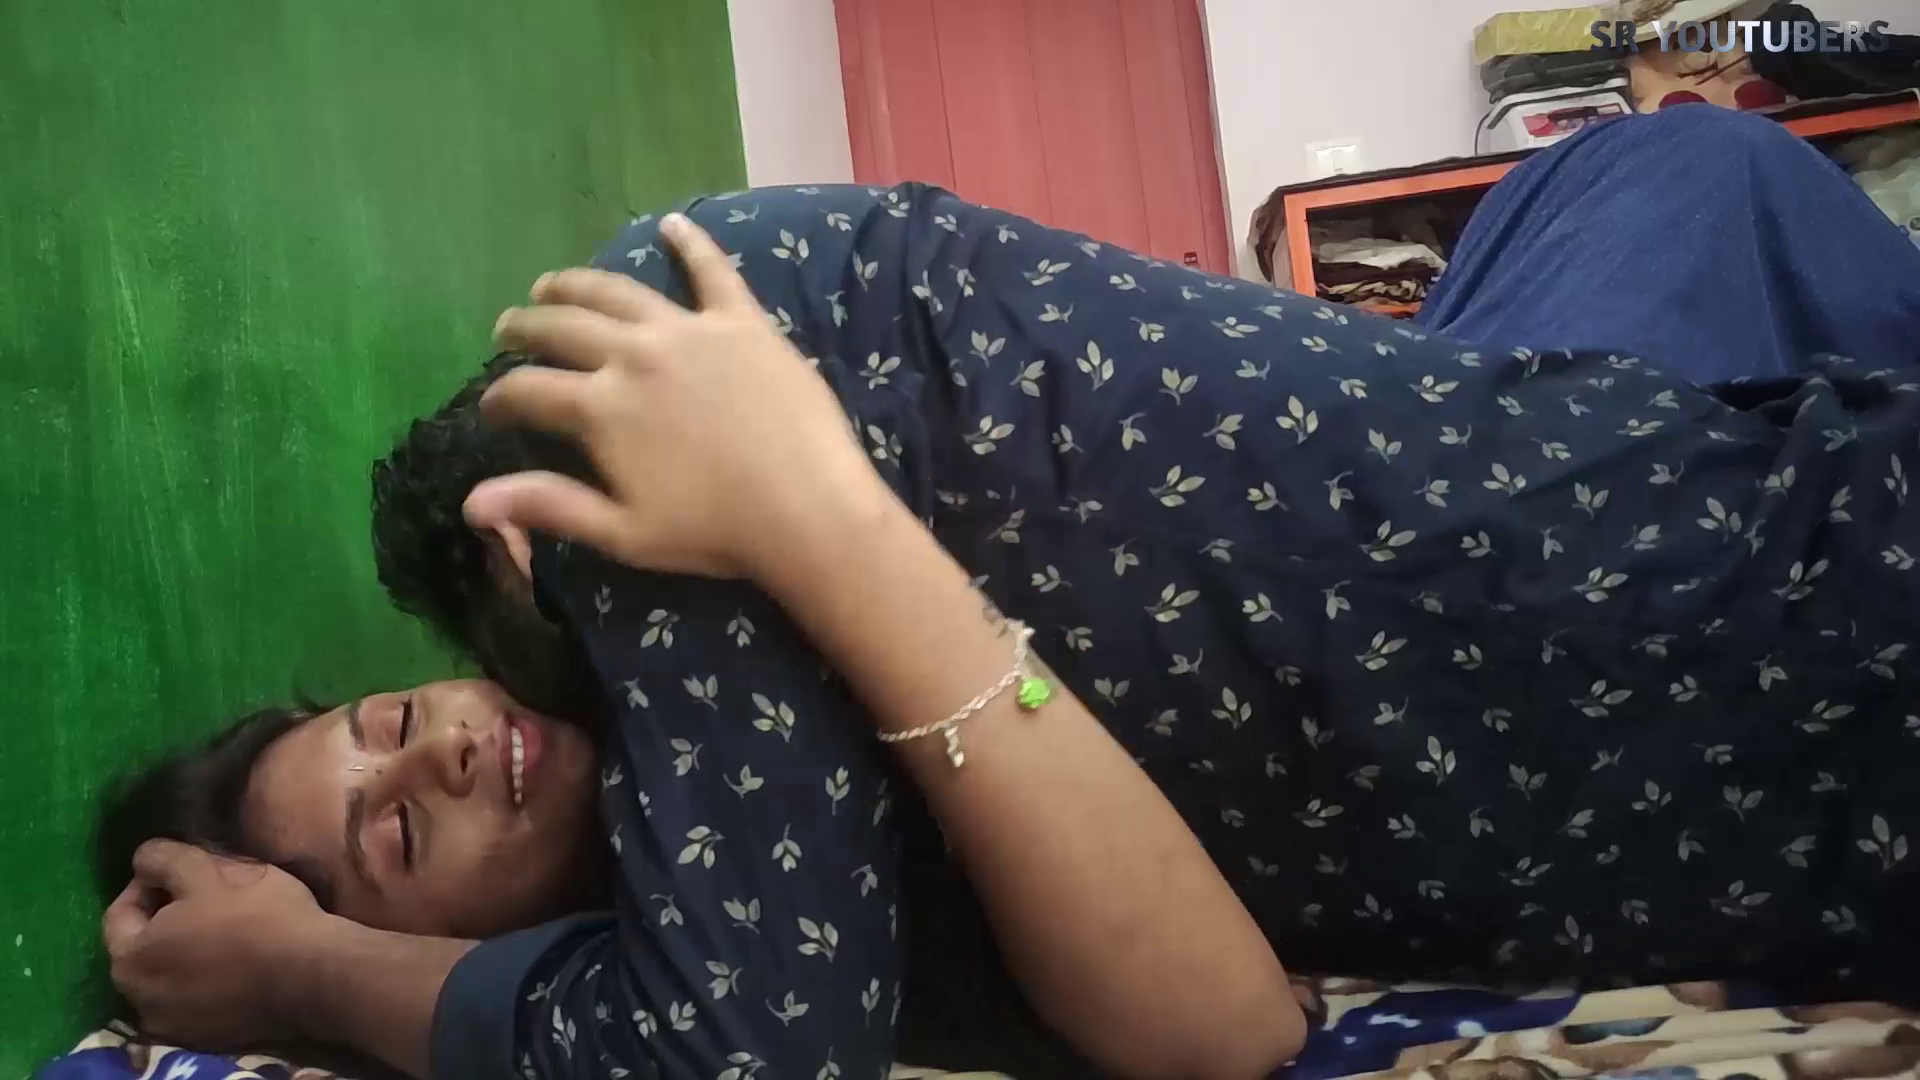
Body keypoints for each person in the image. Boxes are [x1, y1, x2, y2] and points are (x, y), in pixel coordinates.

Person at [100, 105, 1920, 1080]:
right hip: (1816, 800)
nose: (441, 753)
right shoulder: (796, 890)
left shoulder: (631, 419)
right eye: (395, 839)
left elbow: (747, 1065)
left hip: (1831, 602)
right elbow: (1226, 1035)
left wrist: (309, 964)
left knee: (1685, 177)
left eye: (393, 717)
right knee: (1684, 186)